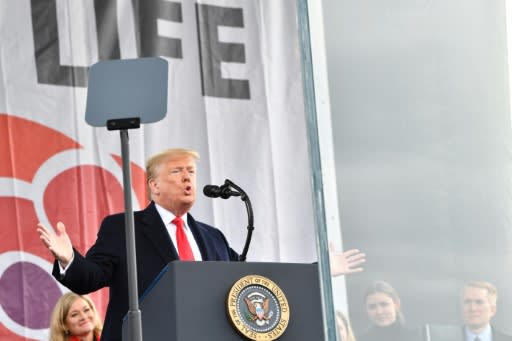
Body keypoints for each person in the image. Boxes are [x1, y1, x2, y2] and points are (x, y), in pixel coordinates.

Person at [37, 148, 239, 341]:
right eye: (177, 171)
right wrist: (68, 259)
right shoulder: (123, 228)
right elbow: (91, 278)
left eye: (191, 171)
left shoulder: (214, 237)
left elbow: (235, 284)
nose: (187, 177)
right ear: (154, 185)